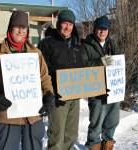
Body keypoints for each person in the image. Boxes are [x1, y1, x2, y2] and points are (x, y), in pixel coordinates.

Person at [0, 10, 55, 150]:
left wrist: (49, 95)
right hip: (7, 115)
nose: (20, 31)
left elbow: (44, 77)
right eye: (17, 27)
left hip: (33, 115)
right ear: (10, 28)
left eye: (24, 27)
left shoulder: (35, 53)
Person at [38, 9, 85, 150]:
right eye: (65, 23)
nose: (67, 27)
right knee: (57, 135)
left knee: (71, 134)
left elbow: (83, 68)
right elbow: (41, 72)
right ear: (59, 24)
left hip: (74, 96)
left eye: (70, 24)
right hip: (57, 96)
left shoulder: (77, 45)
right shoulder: (47, 43)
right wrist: (50, 93)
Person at [83, 16, 120, 150]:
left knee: (113, 119)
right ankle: (93, 145)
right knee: (96, 121)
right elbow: (82, 65)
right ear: (95, 29)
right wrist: (100, 62)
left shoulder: (112, 43)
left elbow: (118, 61)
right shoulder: (86, 44)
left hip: (112, 87)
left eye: (105, 29)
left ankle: (108, 143)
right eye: (100, 29)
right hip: (95, 88)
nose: (103, 32)